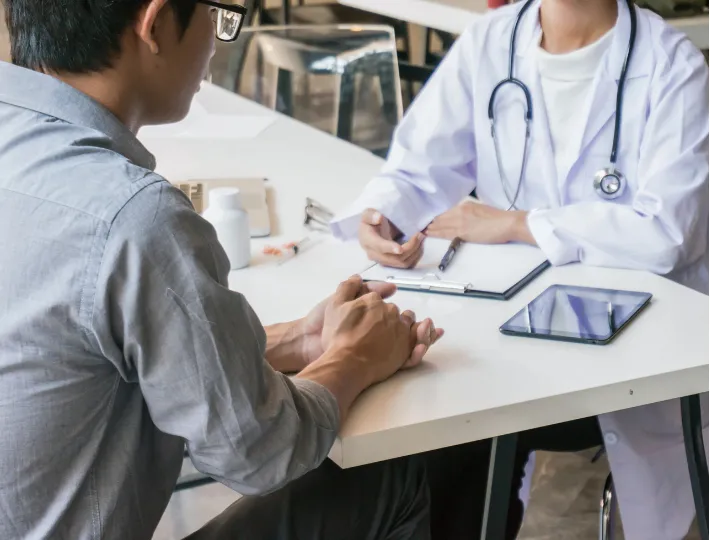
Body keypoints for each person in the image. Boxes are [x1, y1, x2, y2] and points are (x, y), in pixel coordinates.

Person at [0, 1, 448, 539]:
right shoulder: (132, 218)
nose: (217, 38)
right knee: (387, 478)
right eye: (218, 12)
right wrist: (356, 358)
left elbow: (75, 364)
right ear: (157, 23)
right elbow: (257, 452)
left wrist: (298, 340)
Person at [331, 0, 709, 538]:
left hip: (629, 354)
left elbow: (665, 234)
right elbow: (418, 164)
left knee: (461, 437)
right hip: (509, 332)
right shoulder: (491, 42)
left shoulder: (672, 66)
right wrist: (386, 215)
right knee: (434, 436)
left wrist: (518, 223)